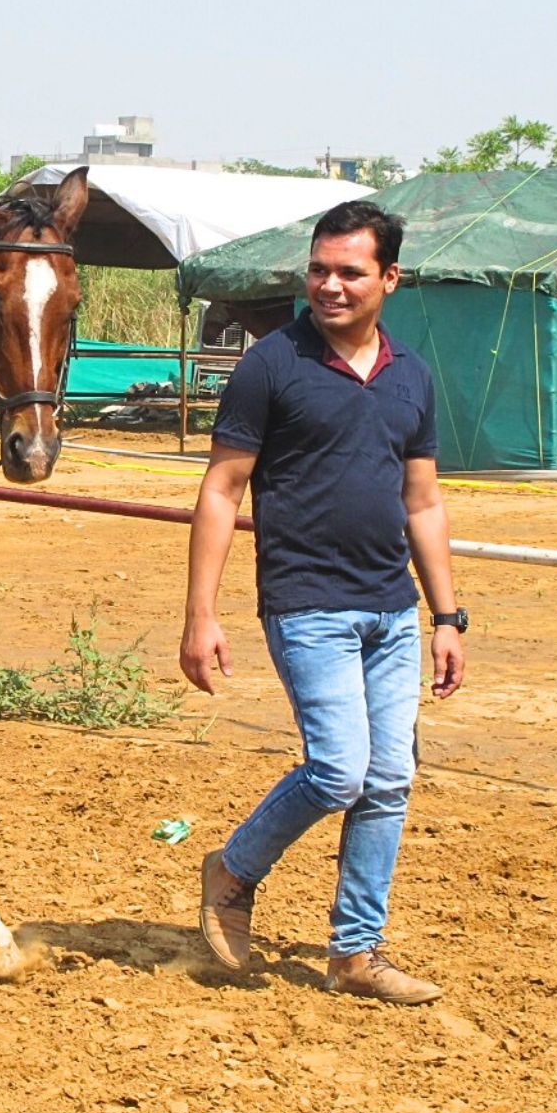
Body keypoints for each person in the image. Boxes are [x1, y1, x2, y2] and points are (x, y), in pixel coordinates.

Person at [179, 199, 465, 1005]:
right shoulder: (273, 363)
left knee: (390, 780)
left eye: (349, 272)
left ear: (390, 279)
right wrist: (201, 615)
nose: (329, 287)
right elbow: (222, 488)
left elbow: (423, 502)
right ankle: (233, 870)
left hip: (391, 608)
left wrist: (446, 616)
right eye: (319, 271)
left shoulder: (410, 375)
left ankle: (354, 952)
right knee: (341, 770)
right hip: (307, 603)